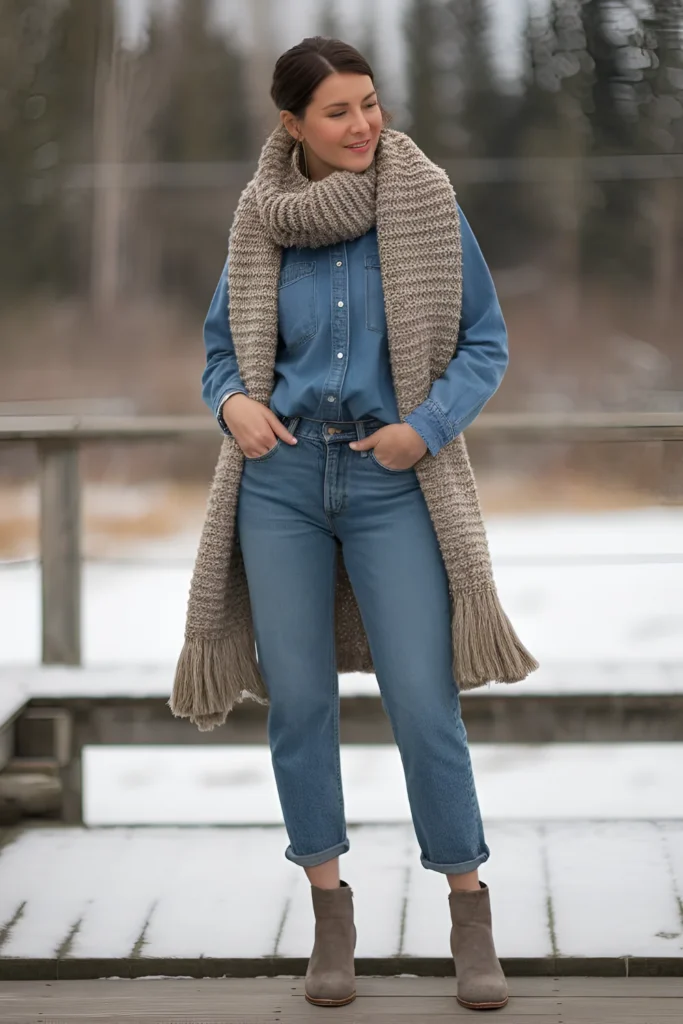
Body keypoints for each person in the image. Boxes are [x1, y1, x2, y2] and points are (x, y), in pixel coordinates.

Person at [170, 35, 538, 1013]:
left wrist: (425, 427)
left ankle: (468, 914)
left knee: (424, 701)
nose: (362, 124)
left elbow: (484, 341)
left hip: (390, 480)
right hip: (280, 482)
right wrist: (231, 405)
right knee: (298, 704)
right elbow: (218, 352)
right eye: (336, 111)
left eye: (368, 102)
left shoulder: (422, 199)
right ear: (291, 125)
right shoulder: (259, 219)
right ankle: (329, 919)